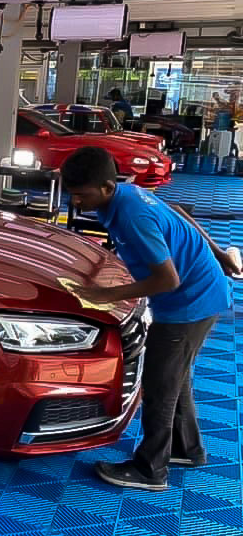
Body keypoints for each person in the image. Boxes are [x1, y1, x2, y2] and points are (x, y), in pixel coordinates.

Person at [61, 147, 238, 491]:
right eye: (72, 194)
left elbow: (167, 279)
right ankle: (187, 449)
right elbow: (177, 213)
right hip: (199, 293)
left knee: (159, 386)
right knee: (175, 378)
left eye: (82, 195)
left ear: (108, 187)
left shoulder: (132, 215)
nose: (76, 202)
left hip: (189, 303)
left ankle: (151, 469)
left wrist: (103, 296)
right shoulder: (128, 194)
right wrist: (216, 252)